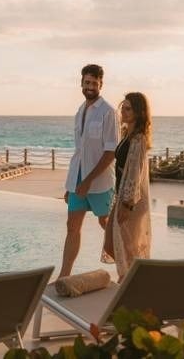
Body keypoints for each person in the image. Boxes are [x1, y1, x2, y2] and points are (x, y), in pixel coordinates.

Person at [59, 64, 118, 278]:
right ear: (81, 83)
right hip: (77, 180)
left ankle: (126, 267)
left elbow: (111, 151)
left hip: (100, 182)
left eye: (94, 83)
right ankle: (64, 276)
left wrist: (88, 181)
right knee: (72, 227)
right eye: (87, 82)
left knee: (107, 225)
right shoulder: (80, 111)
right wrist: (72, 185)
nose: (90, 86)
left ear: (101, 84)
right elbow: (80, 152)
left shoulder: (108, 112)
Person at [102, 92, 152, 281]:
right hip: (121, 196)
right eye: (123, 106)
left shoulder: (138, 139)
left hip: (131, 202)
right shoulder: (127, 134)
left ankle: (128, 284)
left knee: (127, 248)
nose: (123, 110)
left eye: (129, 108)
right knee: (111, 244)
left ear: (139, 112)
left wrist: (127, 204)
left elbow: (135, 174)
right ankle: (131, 279)